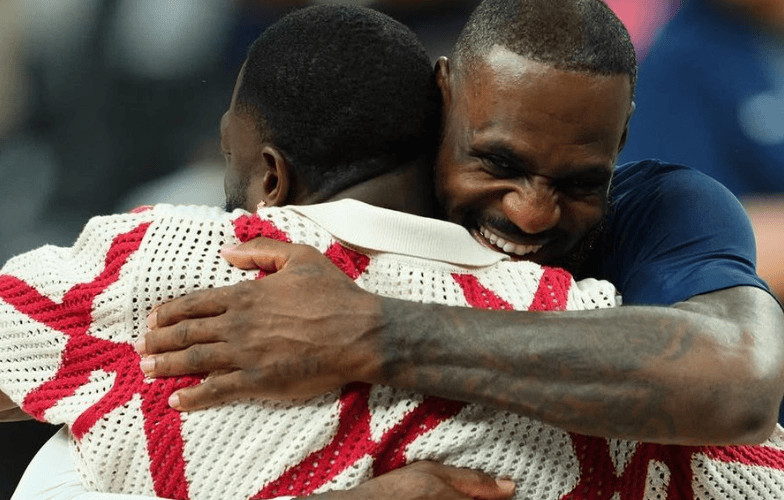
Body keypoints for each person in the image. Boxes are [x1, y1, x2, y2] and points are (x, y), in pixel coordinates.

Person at [0, 4, 628, 500]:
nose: (531, 213)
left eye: (229, 158)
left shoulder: (175, 258)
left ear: (272, 177)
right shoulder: (585, 328)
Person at [137, 0, 784, 448]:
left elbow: (742, 386)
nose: (531, 213)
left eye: (580, 182)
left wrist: (373, 332)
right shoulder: (338, 208)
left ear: (621, 136)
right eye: (498, 163)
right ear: (443, 96)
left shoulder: (666, 208)